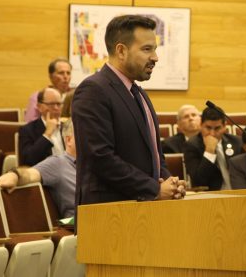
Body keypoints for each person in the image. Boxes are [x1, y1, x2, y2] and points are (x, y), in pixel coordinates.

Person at [72, 15, 185, 205]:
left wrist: (169, 183)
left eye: (155, 49)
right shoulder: (93, 90)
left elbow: (155, 156)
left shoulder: (139, 94)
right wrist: (154, 189)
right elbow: (100, 158)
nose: (155, 58)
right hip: (107, 214)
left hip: (142, 213)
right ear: (121, 51)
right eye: (147, 49)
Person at [0, 119, 76, 219]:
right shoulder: (58, 164)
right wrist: (14, 175)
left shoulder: (95, 165)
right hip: (81, 227)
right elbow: (30, 174)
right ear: (69, 140)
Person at [183, 106, 242, 190]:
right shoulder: (192, 146)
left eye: (217, 128)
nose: (212, 133)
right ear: (201, 125)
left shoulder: (237, 142)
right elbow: (198, 181)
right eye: (208, 128)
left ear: (225, 126)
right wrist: (209, 151)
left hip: (239, 193)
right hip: (212, 197)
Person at [19, 87, 64, 166]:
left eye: (59, 104)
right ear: (39, 106)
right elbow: (28, 159)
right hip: (43, 174)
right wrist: (47, 134)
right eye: (51, 104)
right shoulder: (28, 130)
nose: (56, 108)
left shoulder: (69, 128)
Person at [25, 58, 74, 122]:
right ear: (51, 76)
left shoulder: (75, 96)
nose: (65, 76)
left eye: (68, 73)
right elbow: (30, 123)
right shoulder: (38, 96)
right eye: (61, 73)